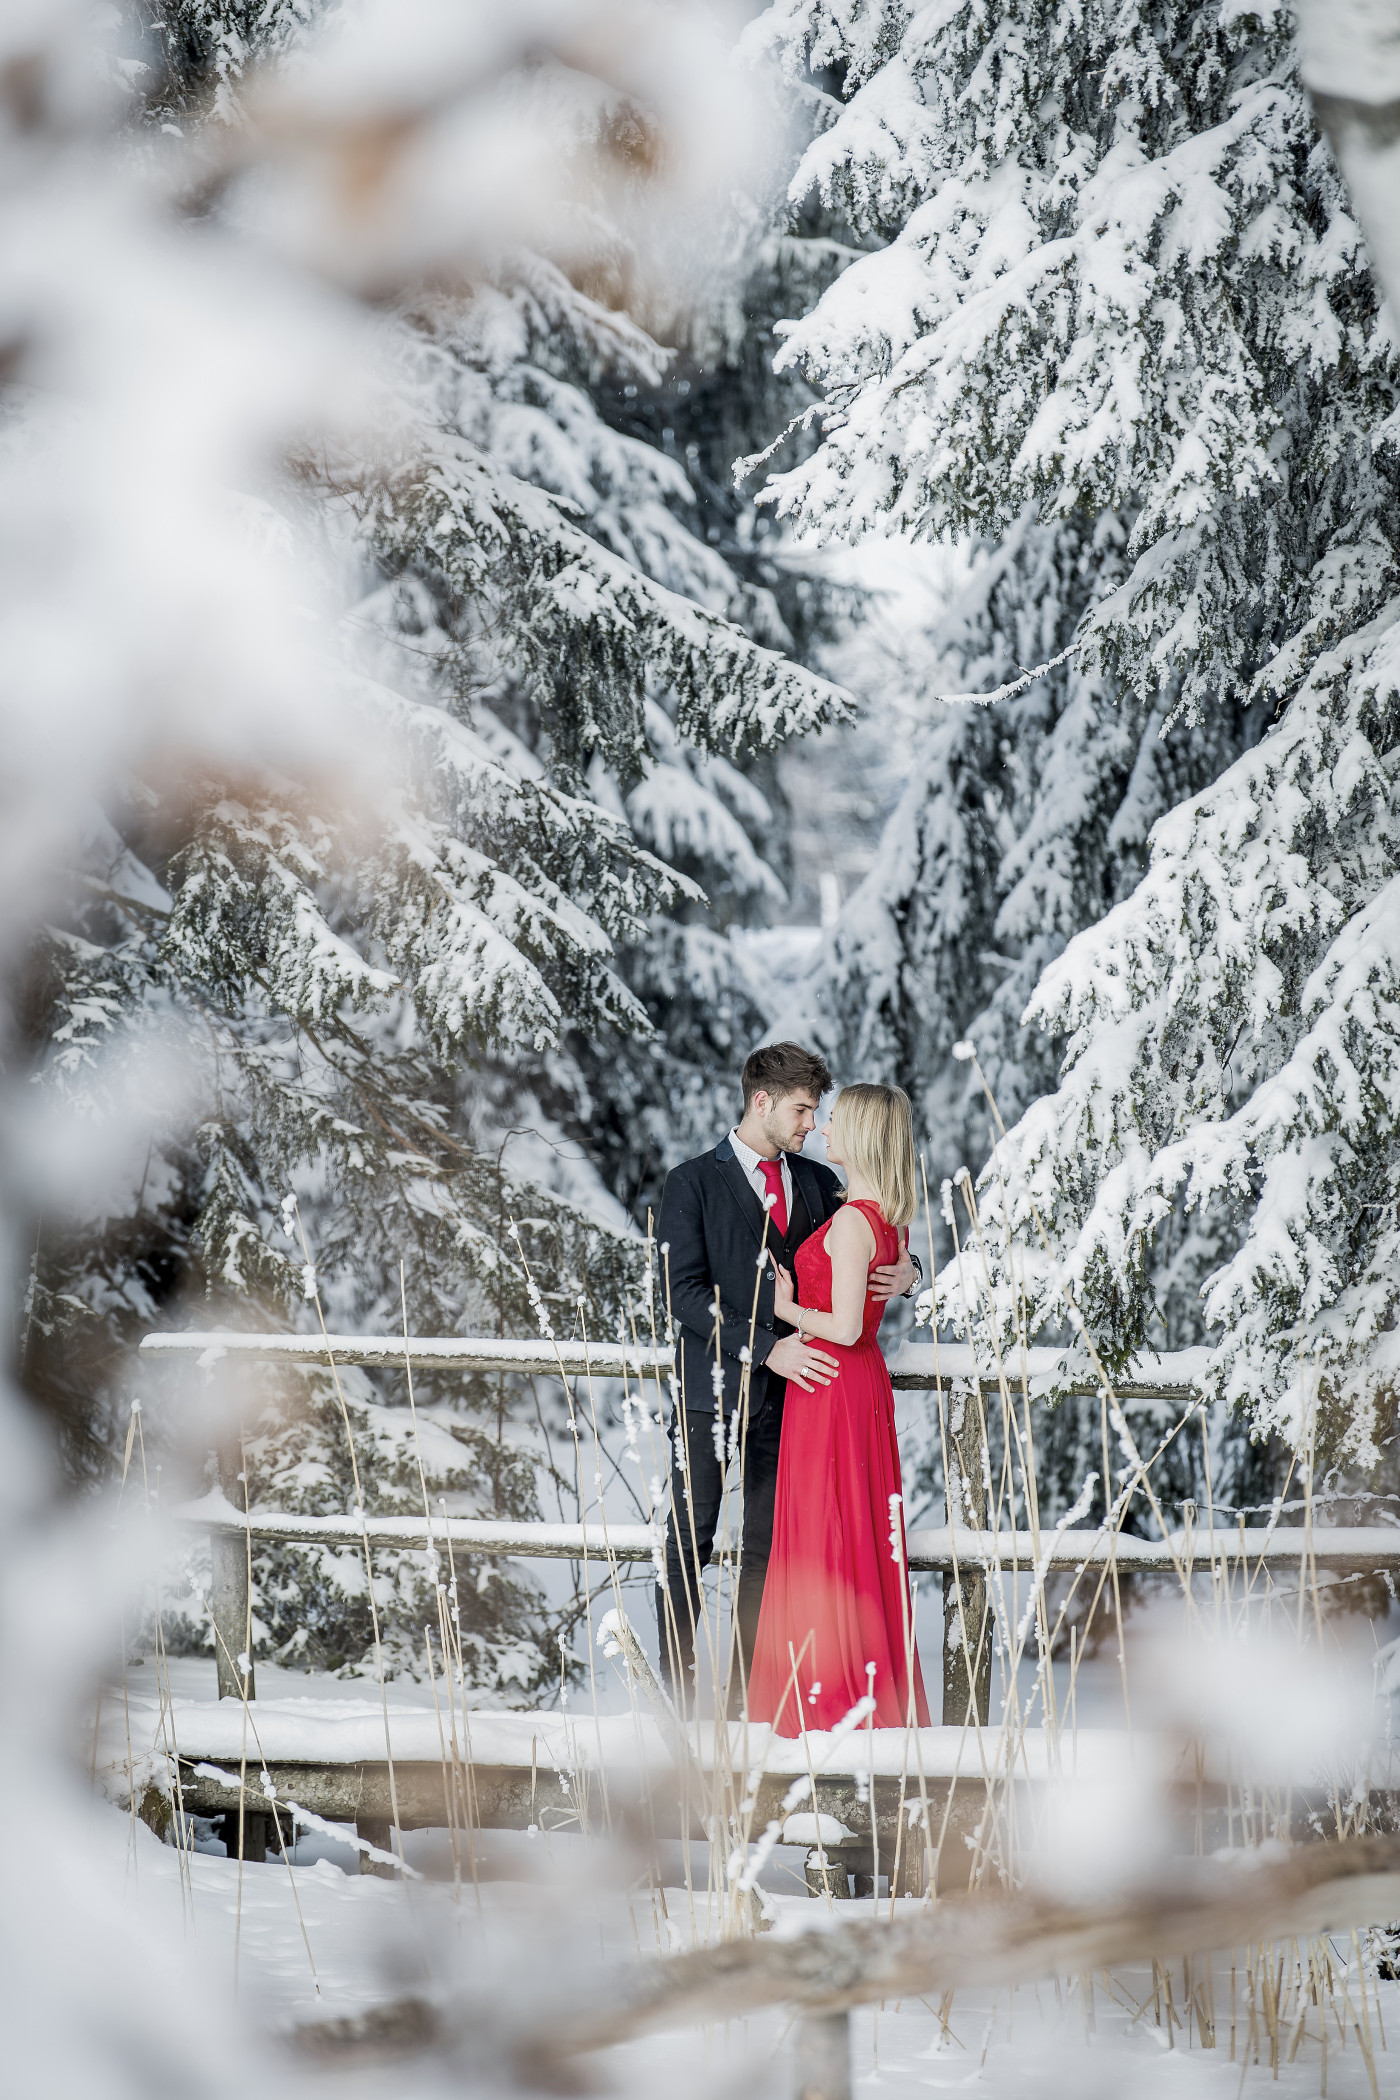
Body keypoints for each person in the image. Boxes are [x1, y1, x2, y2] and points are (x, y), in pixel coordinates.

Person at [655, 1044, 918, 1711]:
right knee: (692, 1539)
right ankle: (679, 1702)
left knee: (770, 1557)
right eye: (802, 1110)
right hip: (714, 1392)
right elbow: (683, 1296)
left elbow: (878, 1226)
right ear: (762, 1102)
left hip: (803, 1403)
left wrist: (914, 1274)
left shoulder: (822, 1181)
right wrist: (767, 1346)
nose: (811, 1124)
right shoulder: (689, 1184)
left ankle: (753, 1703)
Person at [746, 1082, 931, 1735]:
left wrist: (782, 1308)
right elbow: (882, 1284)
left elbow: (848, 1326)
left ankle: (826, 1705)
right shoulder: (886, 1218)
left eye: (836, 1122)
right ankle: (840, 1694)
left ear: (863, 1135)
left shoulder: (855, 1220)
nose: (824, 1130)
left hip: (832, 1382)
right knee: (845, 1537)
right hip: (847, 1388)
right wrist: (908, 1272)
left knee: (828, 1538)